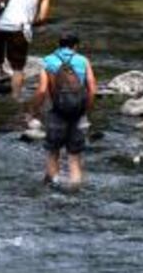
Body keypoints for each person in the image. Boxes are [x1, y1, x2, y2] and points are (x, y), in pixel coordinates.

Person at [31, 32, 97, 188]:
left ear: (59, 45)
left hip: (56, 112)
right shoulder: (83, 60)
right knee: (74, 156)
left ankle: (53, 188)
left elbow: (41, 90)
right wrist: (86, 110)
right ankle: (75, 190)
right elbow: (92, 88)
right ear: (75, 46)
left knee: (53, 152)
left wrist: (34, 110)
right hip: (78, 112)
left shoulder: (47, 61)